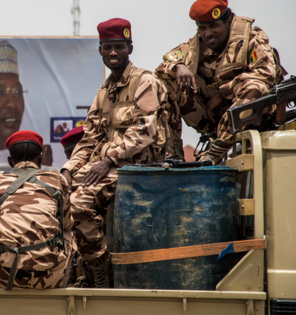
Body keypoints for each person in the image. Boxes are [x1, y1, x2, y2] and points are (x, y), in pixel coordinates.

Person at [60, 18, 170, 288]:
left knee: (76, 204)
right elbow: (89, 138)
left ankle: (100, 267)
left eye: (118, 47)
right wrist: (67, 170)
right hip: (108, 169)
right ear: (100, 50)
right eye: (107, 47)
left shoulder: (144, 82)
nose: (112, 53)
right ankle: (79, 266)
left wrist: (108, 159)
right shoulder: (103, 92)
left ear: (129, 48)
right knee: (56, 195)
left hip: (139, 170)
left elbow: (146, 129)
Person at [155, 0, 286, 164]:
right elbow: (164, 64)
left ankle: (214, 152)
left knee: (255, 86)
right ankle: (172, 156)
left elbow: (266, 73)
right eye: (202, 28)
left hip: (252, 114)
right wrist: (178, 66)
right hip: (212, 118)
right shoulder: (195, 47)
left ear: (228, 21)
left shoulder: (251, 41)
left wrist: (222, 93)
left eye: (213, 26)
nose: (207, 33)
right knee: (164, 82)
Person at [0, 130, 75, 290]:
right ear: (40, 158)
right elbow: (67, 224)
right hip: (49, 278)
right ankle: (64, 283)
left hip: (6, 277)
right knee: (69, 233)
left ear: (9, 161)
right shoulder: (57, 180)